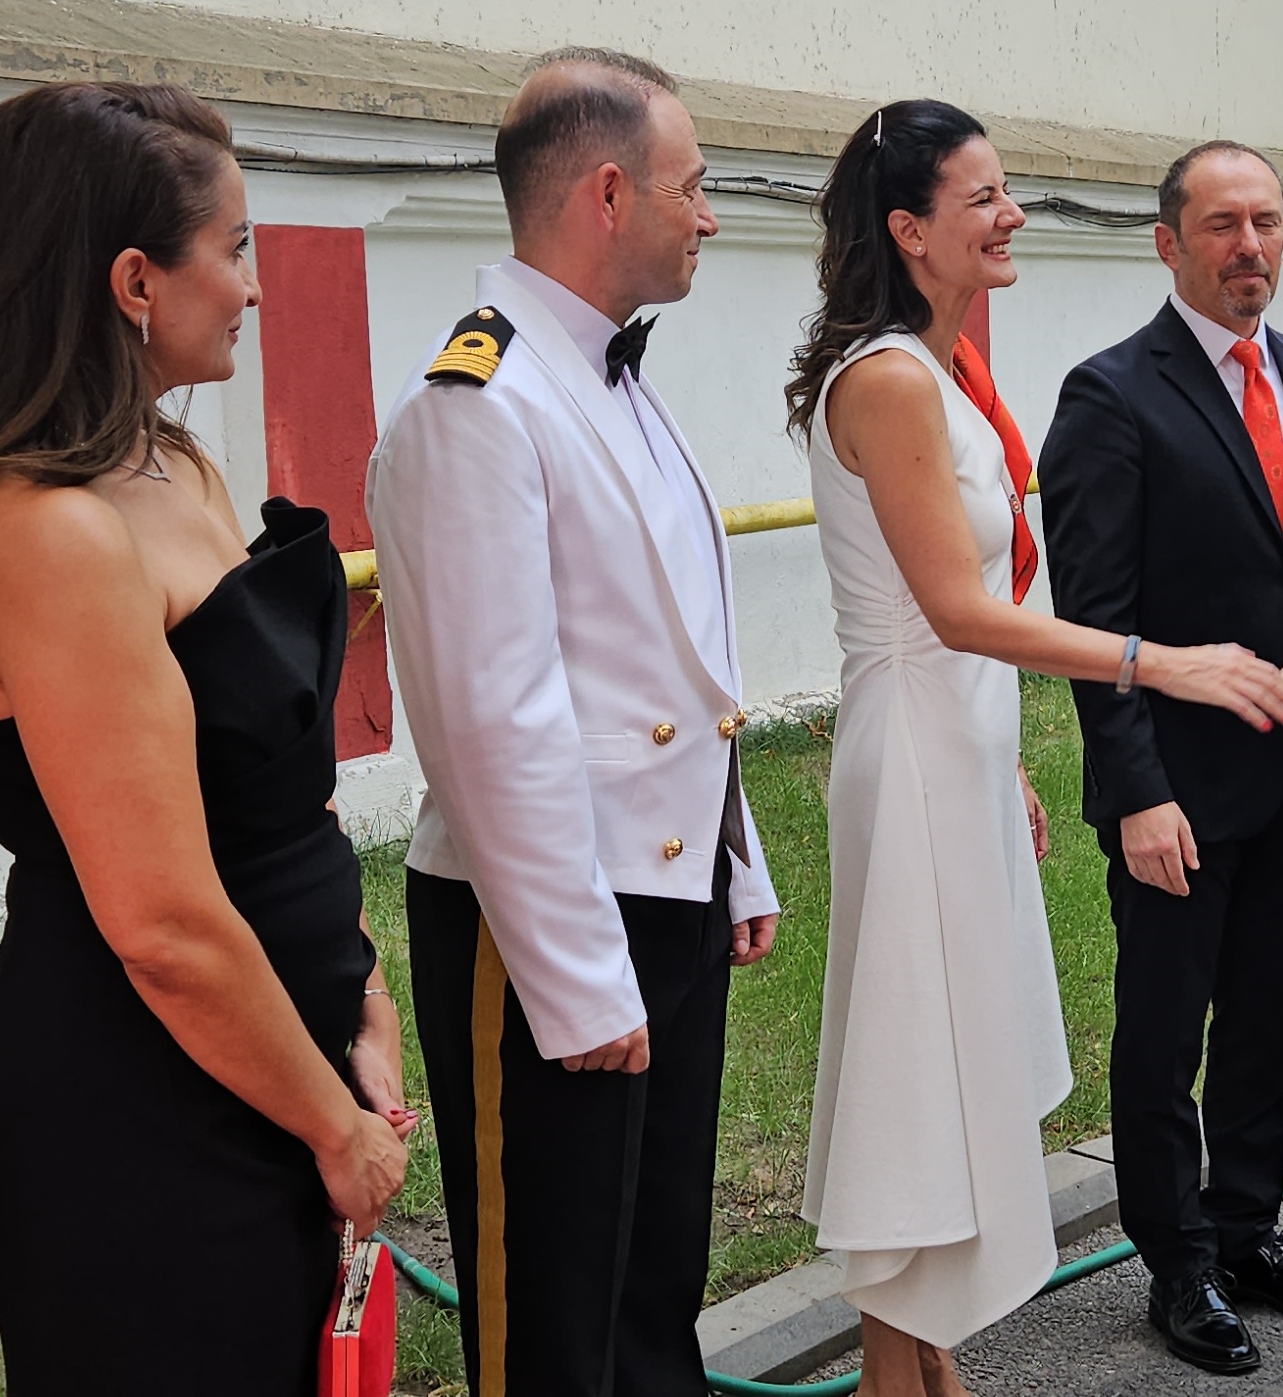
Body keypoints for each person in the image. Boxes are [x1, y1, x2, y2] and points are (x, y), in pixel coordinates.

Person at [0, 82, 411, 1391]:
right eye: (234, 249)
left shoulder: (177, 465)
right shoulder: (46, 533)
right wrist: (335, 1127)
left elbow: (279, 792)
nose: (254, 286)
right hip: (143, 1112)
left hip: (279, 1068)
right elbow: (160, 922)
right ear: (133, 281)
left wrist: (362, 993)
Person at [784, 100, 1283, 1397]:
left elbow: (961, 607)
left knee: (951, 1073)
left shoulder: (939, 369)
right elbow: (956, 611)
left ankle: (920, 1368)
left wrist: (1010, 753)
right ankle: (903, 1372)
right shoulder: (891, 378)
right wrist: (1163, 660)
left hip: (958, 748)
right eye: (983, 197)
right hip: (914, 761)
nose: (1012, 213)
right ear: (909, 230)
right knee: (920, 1078)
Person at [366, 50, 779, 1396]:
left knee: (653, 1284)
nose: (706, 215)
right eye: (690, 186)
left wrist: (733, 861)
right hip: (543, 916)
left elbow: (668, 660)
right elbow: (492, 720)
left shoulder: (607, 376)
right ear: (609, 193)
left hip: (665, 890)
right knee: (550, 1314)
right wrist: (579, 978)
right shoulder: (476, 404)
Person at [1036, 139, 1283, 1375]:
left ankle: (1247, 1228)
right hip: (1179, 794)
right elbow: (1095, 621)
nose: (1250, 246)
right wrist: (1135, 791)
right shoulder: (1109, 396)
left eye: (1267, 222)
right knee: (1163, 1034)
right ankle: (1178, 1261)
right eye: (1220, 225)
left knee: (1267, 1017)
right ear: (1167, 242)